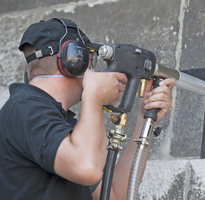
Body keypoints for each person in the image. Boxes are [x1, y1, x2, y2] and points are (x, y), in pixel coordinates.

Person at [0, 18, 174, 200]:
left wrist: (144, 117)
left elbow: (115, 193)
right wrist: (93, 95)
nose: (92, 68)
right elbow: (88, 168)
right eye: (89, 60)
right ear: (74, 60)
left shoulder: (61, 124)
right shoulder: (25, 108)